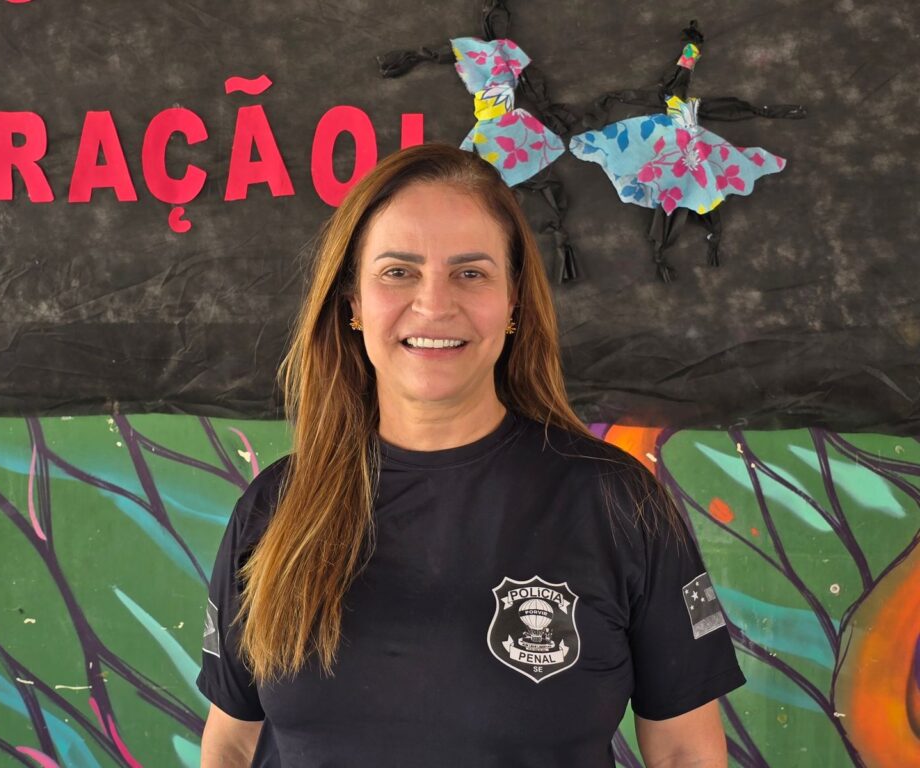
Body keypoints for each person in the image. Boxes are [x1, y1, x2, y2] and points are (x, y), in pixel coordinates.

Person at [197, 143, 744, 767]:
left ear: (513, 303)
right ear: (352, 303)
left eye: (471, 273)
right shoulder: (275, 508)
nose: (434, 305)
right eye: (398, 272)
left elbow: (684, 752)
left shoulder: (617, 503)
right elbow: (233, 743)